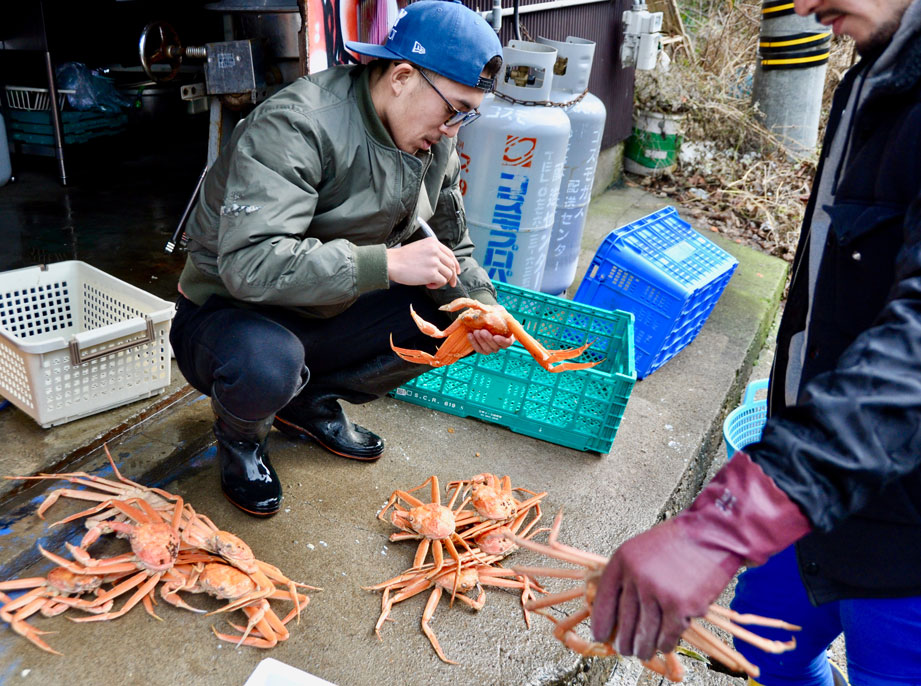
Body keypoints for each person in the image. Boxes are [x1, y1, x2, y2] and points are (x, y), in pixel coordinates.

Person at [587, 0, 921, 683]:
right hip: (811, 477)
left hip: (902, 530)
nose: (800, 7)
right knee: (756, 660)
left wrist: (724, 525)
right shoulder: (872, 70)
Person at [169, 0, 513, 517]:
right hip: (230, 315)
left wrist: (481, 305)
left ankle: (305, 403)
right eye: (453, 109)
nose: (453, 129)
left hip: (324, 306)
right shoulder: (297, 124)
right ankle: (241, 438)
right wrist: (387, 265)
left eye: (469, 116)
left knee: (450, 316)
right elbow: (251, 264)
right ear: (401, 76)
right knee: (269, 365)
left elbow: (451, 245)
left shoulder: (435, 144)